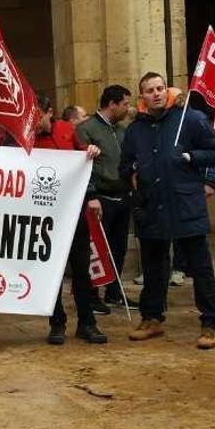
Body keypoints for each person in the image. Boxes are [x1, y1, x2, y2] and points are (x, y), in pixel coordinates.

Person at [120, 73, 215, 348]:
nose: (156, 93)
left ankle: (211, 323)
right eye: (149, 90)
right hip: (151, 207)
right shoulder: (135, 130)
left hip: (185, 203)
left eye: (160, 88)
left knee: (200, 267)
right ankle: (152, 318)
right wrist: (131, 177)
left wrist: (193, 157)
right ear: (141, 95)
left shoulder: (189, 119)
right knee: (154, 267)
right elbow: (125, 165)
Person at [29, 93, 107, 344]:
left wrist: (90, 153)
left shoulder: (67, 129)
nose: (33, 121)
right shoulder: (25, 138)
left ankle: (87, 322)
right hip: (45, 219)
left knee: (82, 271)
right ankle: (57, 322)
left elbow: (83, 161)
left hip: (74, 214)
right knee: (51, 272)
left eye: (37, 116)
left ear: (49, 112)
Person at [76, 85, 137, 313]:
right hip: (100, 198)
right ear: (112, 104)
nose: (127, 108)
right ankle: (92, 297)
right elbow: (84, 164)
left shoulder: (121, 130)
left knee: (118, 248)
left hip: (122, 196)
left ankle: (114, 292)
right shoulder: (86, 128)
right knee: (96, 250)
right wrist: (91, 194)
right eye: (125, 104)